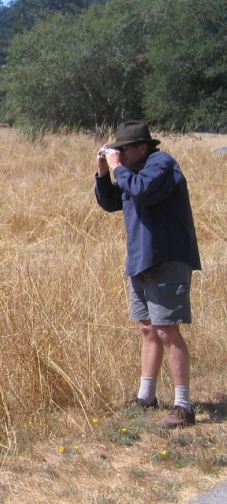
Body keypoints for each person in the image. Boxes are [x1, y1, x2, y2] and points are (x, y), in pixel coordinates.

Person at [94, 121, 201, 429]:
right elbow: (111, 201)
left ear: (143, 146)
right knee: (147, 329)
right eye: (117, 150)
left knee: (167, 329)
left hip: (166, 259)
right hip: (141, 260)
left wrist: (118, 169)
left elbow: (144, 191)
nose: (120, 154)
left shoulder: (161, 164)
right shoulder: (132, 171)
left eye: (123, 149)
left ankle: (183, 406)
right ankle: (146, 396)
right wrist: (104, 171)